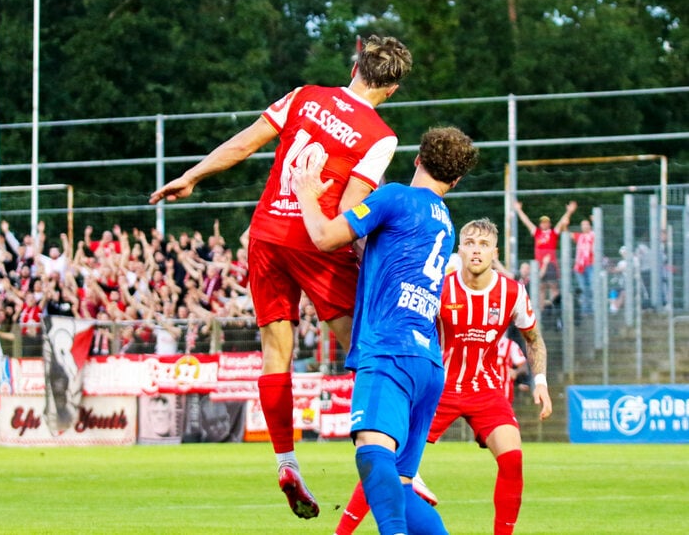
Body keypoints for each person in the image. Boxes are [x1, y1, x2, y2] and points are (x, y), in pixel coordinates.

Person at [149, 34, 413, 519]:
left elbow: (246, 142)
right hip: (316, 241)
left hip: (266, 233)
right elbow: (352, 210)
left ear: (354, 65)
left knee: (276, 352)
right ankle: (398, 460)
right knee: (371, 350)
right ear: (392, 88)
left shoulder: (305, 95)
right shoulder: (381, 136)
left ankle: (286, 461)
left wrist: (193, 175)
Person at [293, 126, 479, 535]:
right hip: (427, 364)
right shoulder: (444, 221)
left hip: (389, 350)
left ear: (417, 158)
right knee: (401, 485)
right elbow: (383, 251)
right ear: (457, 179)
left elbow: (325, 237)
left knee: (372, 456)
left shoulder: (395, 196)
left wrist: (306, 193)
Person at [335, 218, 552, 535]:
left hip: (486, 390)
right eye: (470, 244)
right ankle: (342, 531)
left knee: (513, 459)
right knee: (386, 461)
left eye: (483, 245)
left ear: (495, 251)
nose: (476, 251)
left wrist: (541, 383)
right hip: (439, 388)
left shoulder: (512, 293)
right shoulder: (439, 287)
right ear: (459, 249)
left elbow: (533, 339)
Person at [513, 199, 576, 307]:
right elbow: (526, 221)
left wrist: (569, 212)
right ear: (540, 224)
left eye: (546, 222)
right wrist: (519, 210)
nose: (544, 224)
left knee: (553, 287)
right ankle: (541, 313)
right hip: (540, 265)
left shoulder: (553, 233)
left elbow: (561, 222)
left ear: (549, 224)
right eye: (542, 222)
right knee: (540, 288)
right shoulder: (537, 232)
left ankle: (554, 309)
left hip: (551, 264)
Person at [571, 216, 595, 314]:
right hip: (580, 266)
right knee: (583, 288)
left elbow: (598, 231)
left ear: (590, 226)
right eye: (583, 225)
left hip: (591, 264)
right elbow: (565, 232)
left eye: (586, 224)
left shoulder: (593, 234)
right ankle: (585, 309)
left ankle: (593, 308)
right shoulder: (579, 236)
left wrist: (595, 221)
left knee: (593, 287)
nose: (584, 226)